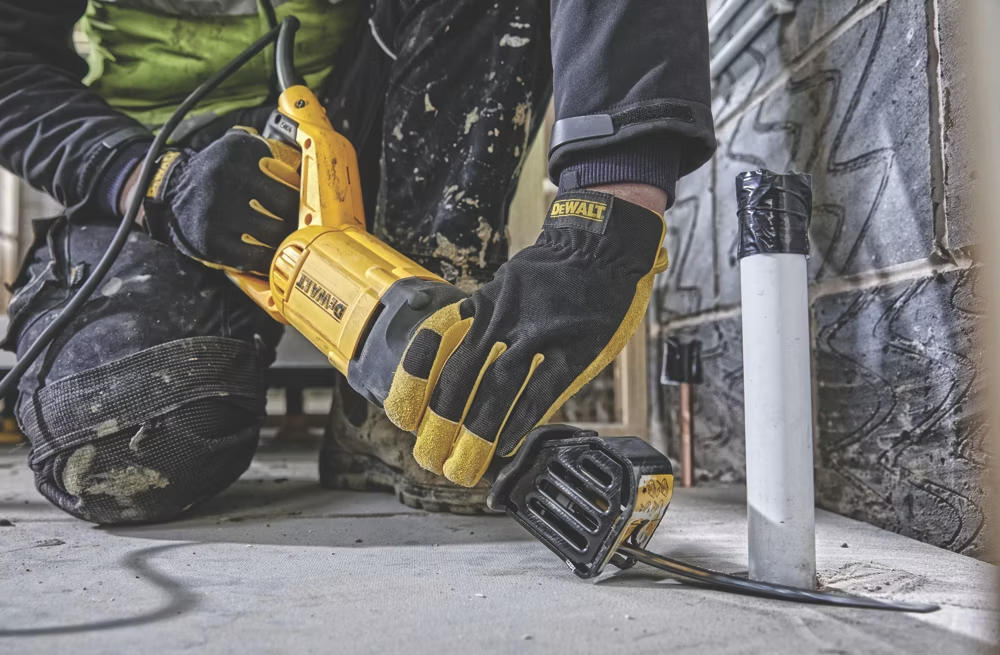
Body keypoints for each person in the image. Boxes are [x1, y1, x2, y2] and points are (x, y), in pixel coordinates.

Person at [0, 0, 715, 524]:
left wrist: (607, 213)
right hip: (158, 157)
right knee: (121, 446)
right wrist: (149, 180)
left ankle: (408, 392)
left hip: (357, 114)